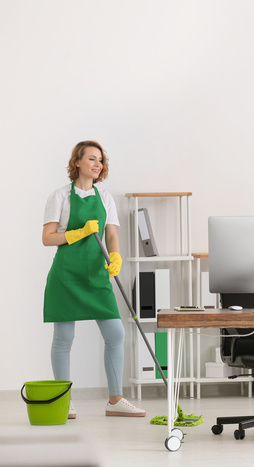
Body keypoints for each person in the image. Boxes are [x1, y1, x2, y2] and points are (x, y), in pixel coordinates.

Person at [42, 141, 145, 418]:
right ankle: (64, 400)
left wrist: (116, 257)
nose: (97, 164)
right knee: (64, 338)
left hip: (97, 274)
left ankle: (115, 401)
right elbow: (47, 238)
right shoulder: (60, 196)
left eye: (100, 160)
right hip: (66, 275)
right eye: (91, 159)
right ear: (77, 162)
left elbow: (111, 234)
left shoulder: (105, 198)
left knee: (116, 334)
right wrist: (77, 233)